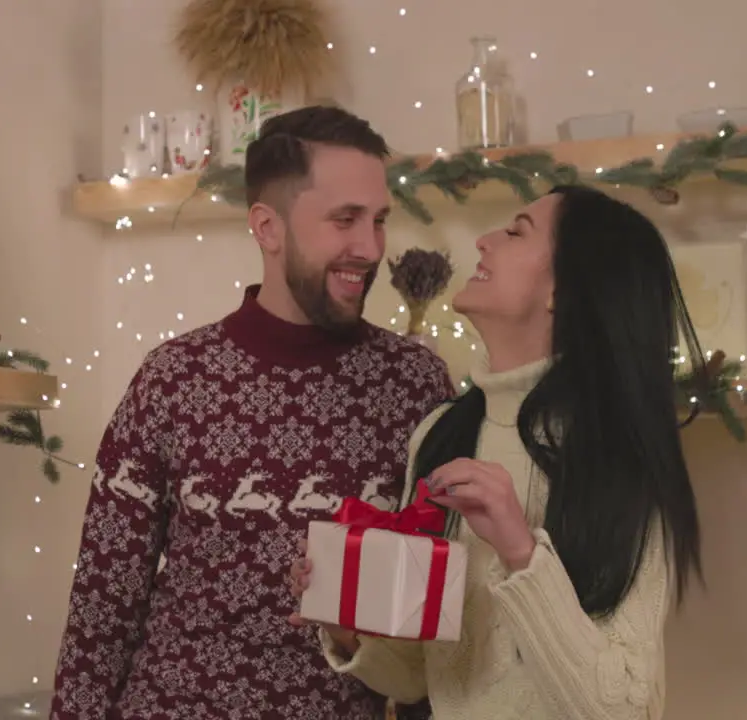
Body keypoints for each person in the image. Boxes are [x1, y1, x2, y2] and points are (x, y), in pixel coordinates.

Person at [48, 105, 455, 719]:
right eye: (345, 220)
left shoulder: (415, 383)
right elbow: (104, 607)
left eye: (378, 221)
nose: (370, 247)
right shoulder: (174, 379)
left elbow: (432, 628)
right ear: (267, 228)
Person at [288, 184, 706, 719]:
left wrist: (520, 549)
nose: (484, 241)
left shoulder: (619, 457)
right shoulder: (442, 434)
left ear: (565, 289)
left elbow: (623, 709)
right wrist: (344, 623)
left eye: (515, 232)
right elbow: (420, 677)